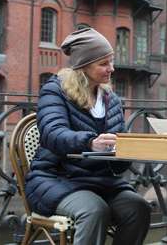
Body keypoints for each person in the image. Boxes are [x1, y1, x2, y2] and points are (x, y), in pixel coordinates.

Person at [25, 28, 151, 245]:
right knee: (94, 210)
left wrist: (128, 150)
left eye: (111, 61)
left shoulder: (111, 100)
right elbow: (52, 134)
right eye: (103, 63)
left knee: (138, 208)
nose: (111, 69)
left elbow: (118, 164)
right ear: (82, 66)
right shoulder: (55, 91)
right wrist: (90, 142)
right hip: (56, 178)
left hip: (101, 182)